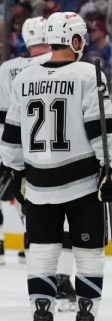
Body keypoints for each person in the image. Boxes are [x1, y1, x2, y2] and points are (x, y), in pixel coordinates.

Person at [0, 12, 112, 321]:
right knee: (89, 253)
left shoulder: (24, 77)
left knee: (41, 252)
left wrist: (9, 168)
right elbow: (99, 125)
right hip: (82, 180)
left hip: (37, 181)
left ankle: (42, 316)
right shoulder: (88, 73)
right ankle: (85, 318)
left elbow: (12, 130)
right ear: (73, 39)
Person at [0, 16, 52, 267]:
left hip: (11, 140)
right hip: (48, 144)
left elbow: (2, 113)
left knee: (14, 191)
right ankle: (31, 241)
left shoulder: (7, 68)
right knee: (38, 197)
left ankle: (0, 242)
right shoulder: (63, 64)